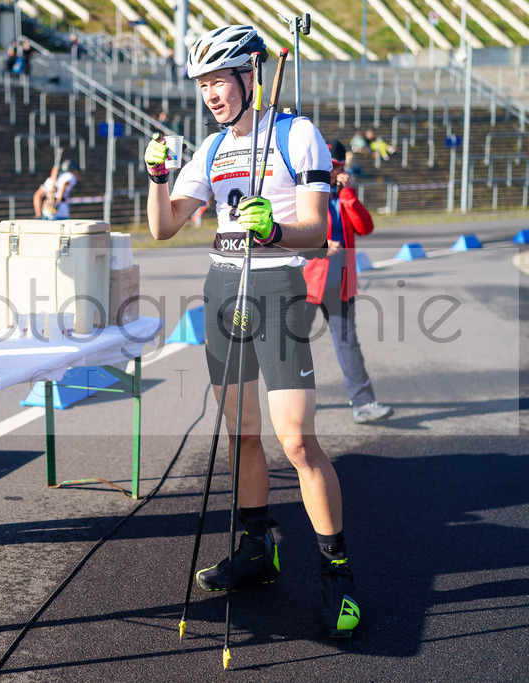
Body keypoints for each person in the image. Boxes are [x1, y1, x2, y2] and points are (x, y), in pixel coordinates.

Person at [143, 25, 360, 639]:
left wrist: (273, 233)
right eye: (204, 83)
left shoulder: (297, 134)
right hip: (222, 287)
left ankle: (336, 574)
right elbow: (164, 228)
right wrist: (158, 179)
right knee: (242, 434)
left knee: (296, 441)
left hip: (278, 288)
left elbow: (317, 230)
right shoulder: (210, 150)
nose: (212, 93)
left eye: (221, 79)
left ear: (251, 76)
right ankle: (259, 549)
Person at [303, 140, 392, 424]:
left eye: (337, 167)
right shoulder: (303, 194)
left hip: (340, 283)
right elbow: (285, 235)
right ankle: (297, 401)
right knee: (294, 343)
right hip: (305, 283)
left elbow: (365, 227)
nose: (332, 172)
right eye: (328, 166)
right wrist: (318, 246)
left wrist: (349, 195)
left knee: (348, 343)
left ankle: (364, 403)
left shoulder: (343, 196)